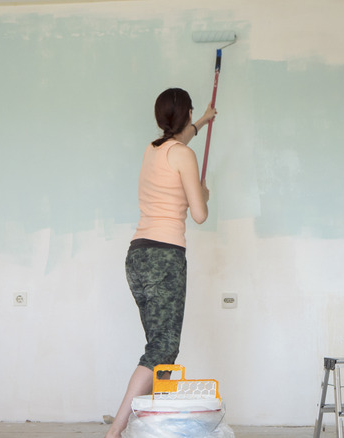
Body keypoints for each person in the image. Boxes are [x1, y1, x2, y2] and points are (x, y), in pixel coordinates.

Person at [105, 88, 217, 438]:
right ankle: (118, 430)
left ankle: (156, 425)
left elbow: (176, 142)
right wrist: (203, 195)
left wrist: (202, 121)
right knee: (161, 349)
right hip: (165, 258)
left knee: (160, 349)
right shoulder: (184, 155)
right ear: (183, 115)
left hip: (137, 256)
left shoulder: (152, 150)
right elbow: (198, 215)